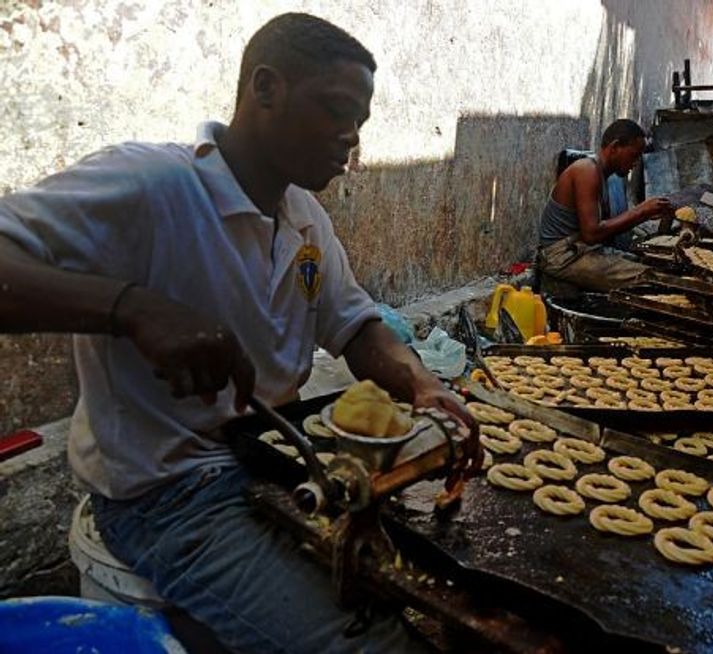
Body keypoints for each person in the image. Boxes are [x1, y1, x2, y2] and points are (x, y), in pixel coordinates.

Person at [0, 13, 474, 654]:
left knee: (429, 591)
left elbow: (356, 324)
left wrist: (423, 386)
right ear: (266, 87)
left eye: (360, 123)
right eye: (336, 111)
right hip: (168, 499)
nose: (349, 139)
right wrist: (132, 308)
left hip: (273, 464)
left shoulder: (305, 219)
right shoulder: (153, 186)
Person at [537, 119, 674, 291]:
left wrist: (645, 214)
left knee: (654, 266)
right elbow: (592, 234)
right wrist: (640, 211)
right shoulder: (587, 171)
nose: (637, 162)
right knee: (653, 281)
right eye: (634, 155)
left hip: (581, 248)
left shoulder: (604, 176)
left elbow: (604, 230)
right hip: (561, 256)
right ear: (615, 147)